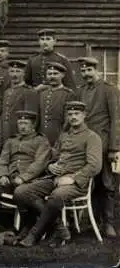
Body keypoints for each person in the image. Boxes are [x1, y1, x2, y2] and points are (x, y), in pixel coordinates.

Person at [19, 101, 102, 247]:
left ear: (84, 115)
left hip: (76, 183)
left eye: (77, 114)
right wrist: (51, 166)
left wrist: (73, 178)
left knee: (57, 195)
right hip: (55, 178)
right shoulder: (64, 135)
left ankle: (34, 234)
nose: (73, 117)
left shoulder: (91, 137)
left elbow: (95, 165)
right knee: (22, 191)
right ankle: (59, 227)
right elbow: (54, 156)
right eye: (70, 114)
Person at [0, 110, 51, 234]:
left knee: (21, 192)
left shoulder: (41, 141)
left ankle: (26, 226)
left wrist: (23, 177)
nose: (22, 126)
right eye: (20, 123)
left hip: (29, 180)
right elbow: (2, 160)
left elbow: (39, 164)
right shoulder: (11, 140)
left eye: (26, 123)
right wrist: (2, 175)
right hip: (9, 178)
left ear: (33, 125)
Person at [76, 57, 120, 238]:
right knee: (89, 183)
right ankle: (92, 221)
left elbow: (116, 120)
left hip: (102, 145)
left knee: (107, 183)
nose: (86, 74)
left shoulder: (109, 89)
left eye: (89, 70)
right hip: (85, 144)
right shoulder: (81, 91)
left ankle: (108, 223)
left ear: (97, 70)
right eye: (83, 71)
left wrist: (113, 147)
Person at [38, 62, 76, 146]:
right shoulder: (42, 93)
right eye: (49, 74)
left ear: (62, 75)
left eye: (55, 74)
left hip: (59, 137)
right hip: (42, 137)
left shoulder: (68, 94)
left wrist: (62, 137)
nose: (52, 77)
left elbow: (68, 120)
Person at [1, 60, 39, 144]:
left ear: (24, 73)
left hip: (20, 135)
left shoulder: (29, 92)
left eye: (18, 71)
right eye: (12, 71)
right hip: (5, 134)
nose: (14, 75)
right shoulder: (7, 92)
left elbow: (31, 119)